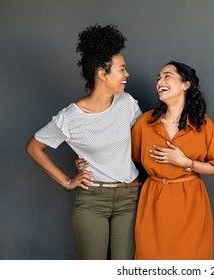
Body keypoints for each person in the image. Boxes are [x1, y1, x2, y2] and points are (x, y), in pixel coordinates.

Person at [25, 24, 142, 260]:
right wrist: (68, 181)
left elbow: (142, 144)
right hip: (92, 202)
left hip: (129, 198)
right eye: (122, 69)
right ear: (102, 74)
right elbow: (34, 148)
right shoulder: (70, 118)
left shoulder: (127, 103)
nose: (127, 75)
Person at [131, 61, 214, 259]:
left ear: (186, 84)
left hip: (190, 202)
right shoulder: (145, 123)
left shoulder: (203, 124)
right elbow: (127, 159)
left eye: (167, 76)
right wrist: (86, 161)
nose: (160, 81)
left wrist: (186, 162)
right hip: (154, 202)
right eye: (158, 78)